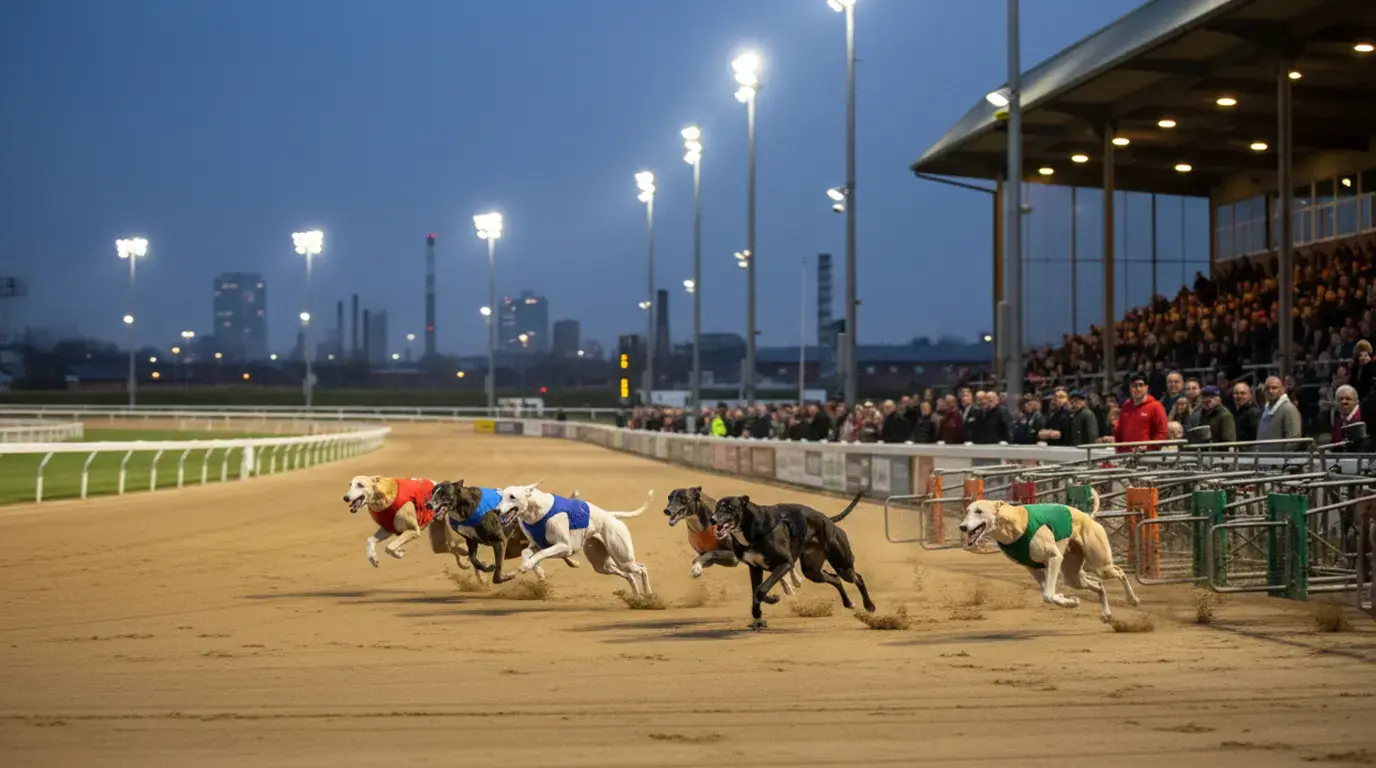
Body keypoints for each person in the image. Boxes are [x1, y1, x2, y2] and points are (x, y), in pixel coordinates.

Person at [1114, 371, 1168, 452]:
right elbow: (1119, 430)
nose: (1138, 389)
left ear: (1147, 387)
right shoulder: (1126, 405)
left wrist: (1148, 447)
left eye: (1141, 385)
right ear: (1130, 388)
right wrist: (1118, 448)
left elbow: (1162, 432)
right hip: (1126, 455)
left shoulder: (1156, 406)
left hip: (1147, 455)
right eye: (1135, 386)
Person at [1257, 375, 1302, 451]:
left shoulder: (1288, 408)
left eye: (1274, 388)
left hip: (1279, 459)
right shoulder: (1266, 409)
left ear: (1282, 389)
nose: (1270, 391)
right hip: (1264, 458)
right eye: (1267, 388)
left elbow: (1294, 438)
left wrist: (1283, 458)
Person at [1331, 384, 1365, 451]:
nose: (1344, 402)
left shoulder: (1364, 416)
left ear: (1356, 401)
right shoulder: (1337, 417)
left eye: (1348, 399)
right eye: (1340, 399)